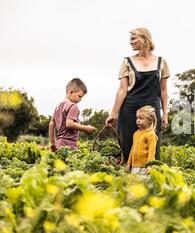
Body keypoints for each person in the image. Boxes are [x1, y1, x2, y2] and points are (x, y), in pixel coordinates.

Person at [105, 27, 170, 161]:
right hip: (129, 110)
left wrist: (165, 113)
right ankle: (129, 179)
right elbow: (122, 90)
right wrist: (113, 114)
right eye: (130, 39)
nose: (131, 42)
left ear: (144, 39)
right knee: (128, 148)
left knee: (152, 149)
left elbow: (163, 90)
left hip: (152, 111)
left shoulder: (161, 62)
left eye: (134, 38)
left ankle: (150, 179)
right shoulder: (127, 61)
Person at [49, 78, 96, 151]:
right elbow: (69, 124)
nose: (80, 99)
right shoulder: (73, 106)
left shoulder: (57, 108)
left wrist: (52, 142)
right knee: (71, 162)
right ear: (71, 92)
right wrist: (86, 128)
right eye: (79, 96)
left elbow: (51, 124)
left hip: (58, 143)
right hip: (69, 145)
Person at [127, 105, 158, 173]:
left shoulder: (150, 135)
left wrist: (149, 166)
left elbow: (152, 152)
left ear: (149, 120)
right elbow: (132, 149)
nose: (138, 120)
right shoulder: (136, 134)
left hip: (144, 167)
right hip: (134, 166)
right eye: (137, 118)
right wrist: (129, 163)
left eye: (141, 118)